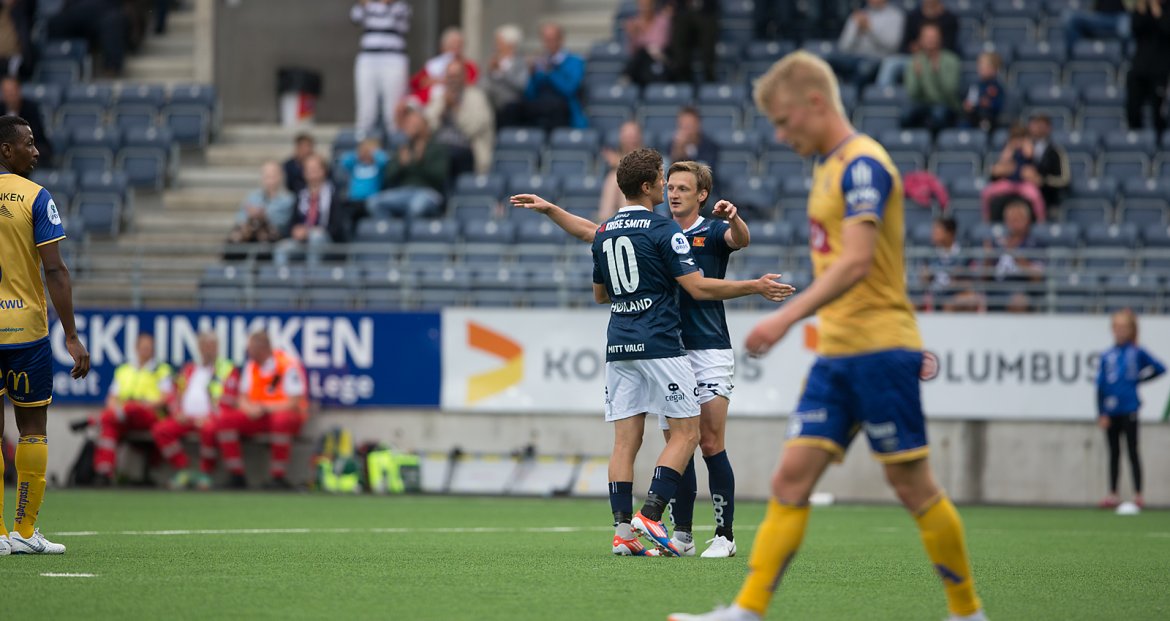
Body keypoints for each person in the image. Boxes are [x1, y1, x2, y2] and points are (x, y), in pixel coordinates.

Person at [670, 51, 987, 621]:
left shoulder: (863, 165)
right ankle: (746, 611)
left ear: (815, 104)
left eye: (785, 122)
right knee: (789, 478)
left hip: (880, 348)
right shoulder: (827, 166)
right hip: (839, 355)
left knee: (912, 485)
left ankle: (967, 612)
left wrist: (786, 317)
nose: (781, 134)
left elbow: (858, 262)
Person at [517, 148, 792, 557]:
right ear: (650, 186)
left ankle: (708, 534)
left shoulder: (683, 230)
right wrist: (754, 286)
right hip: (666, 345)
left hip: (668, 346)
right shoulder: (663, 231)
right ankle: (670, 526)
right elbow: (692, 285)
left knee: (693, 443)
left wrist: (733, 219)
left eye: (682, 186)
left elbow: (737, 239)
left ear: (701, 195)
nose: (672, 190)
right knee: (683, 438)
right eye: (668, 182)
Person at [0, 114, 89, 556]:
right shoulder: (35, 197)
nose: (36, 151)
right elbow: (54, 268)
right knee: (32, 428)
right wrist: (70, 334)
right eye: (29, 144)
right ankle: (24, 529)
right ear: (6, 151)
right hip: (26, 332)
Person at [214, 330, 310, 489]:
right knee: (226, 420)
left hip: (283, 415)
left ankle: (277, 477)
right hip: (258, 415)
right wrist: (249, 408)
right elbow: (242, 396)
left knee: (281, 421)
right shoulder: (251, 366)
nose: (248, 352)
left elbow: (294, 401)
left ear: (263, 348)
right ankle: (236, 475)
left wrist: (266, 407)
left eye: (251, 348)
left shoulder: (285, 364)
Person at [1096, 309, 1165, 510]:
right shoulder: (1107, 355)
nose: (1119, 331)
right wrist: (1101, 412)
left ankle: (1138, 494)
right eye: (1116, 327)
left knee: (1132, 450)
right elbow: (1100, 387)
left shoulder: (1137, 352)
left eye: (1123, 328)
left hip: (1130, 408)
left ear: (1131, 330)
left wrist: (1139, 379)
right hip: (1111, 410)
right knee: (1114, 452)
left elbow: (1160, 368)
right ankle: (1113, 493)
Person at [151, 331, 237, 491]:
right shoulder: (189, 369)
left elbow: (228, 401)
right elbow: (174, 394)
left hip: (211, 419)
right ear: (198, 347)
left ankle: (206, 473)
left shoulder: (226, 370)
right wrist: (177, 413)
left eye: (211, 345)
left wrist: (209, 417)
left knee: (209, 429)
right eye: (204, 345)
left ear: (218, 347)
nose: (208, 349)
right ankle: (184, 468)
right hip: (186, 418)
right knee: (160, 429)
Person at [92, 332, 173, 484]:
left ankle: (95, 420)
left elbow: (165, 398)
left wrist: (141, 405)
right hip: (123, 416)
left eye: (149, 348)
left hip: (148, 414)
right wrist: (116, 409)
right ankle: (104, 472)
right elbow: (111, 398)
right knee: (109, 427)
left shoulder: (161, 370)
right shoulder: (125, 370)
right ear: (136, 348)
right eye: (143, 347)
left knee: (131, 409)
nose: (146, 351)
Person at [498, 22, 586, 131]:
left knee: (553, 110)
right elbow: (529, 94)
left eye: (552, 39)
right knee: (510, 109)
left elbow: (569, 89)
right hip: (540, 107)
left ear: (561, 39)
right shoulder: (539, 63)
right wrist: (531, 75)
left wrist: (550, 72)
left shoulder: (574, 61)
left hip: (562, 108)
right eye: (546, 40)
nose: (548, 43)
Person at [369, 105, 448, 219]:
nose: (410, 126)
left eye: (414, 123)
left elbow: (440, 177)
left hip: (428, 192)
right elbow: (388, 177)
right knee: (374, 203)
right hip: (403, 192)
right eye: (408, 123)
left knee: (417, 206)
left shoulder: (437, 147)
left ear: (424, 125)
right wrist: (401, 164)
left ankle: (412, 235)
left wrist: (420, 162)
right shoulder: (403, 148)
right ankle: (391, 234)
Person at [351, 0, 412, 137]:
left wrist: (376, 5)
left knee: (393, 112)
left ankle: (397, 148)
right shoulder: (366, 5)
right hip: (368, 58)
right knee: (366, 112)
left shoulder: (401, 6)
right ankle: (362, 146)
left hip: (393, 59)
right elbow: (355, 17)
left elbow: (396, 21)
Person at [424, 59, 495, 176]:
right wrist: (442, 111)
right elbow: (427, 128)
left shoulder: (477, 97)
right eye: (449, 76)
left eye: (456, 76)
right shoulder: (440, 98)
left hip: (468, 151)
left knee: (448, 156)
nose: (452, 80)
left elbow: (471, 129)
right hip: (440, 150)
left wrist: (456, 109)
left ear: (464, 77)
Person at [877, 0, 959, 87]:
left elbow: (949, 47)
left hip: (938, 58)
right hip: (914, 57)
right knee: (891, 63)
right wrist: (914, 49)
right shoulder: (913, 16)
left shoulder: (950, 19)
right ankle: (883, 96)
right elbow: (904, 46)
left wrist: (929, 49)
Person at [900, 24, 961, 134]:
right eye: (927, 37)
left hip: (946, 104)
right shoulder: (915, 61)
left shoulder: (951, 60)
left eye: (933, 37)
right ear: (921, 40)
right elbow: (912, 92)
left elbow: (950, 92)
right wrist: (917, 77)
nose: (930, 40)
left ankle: (936, 145)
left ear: (940, 39)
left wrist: (937, 74)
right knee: (905, 114)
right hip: (922, 103)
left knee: (938, 114)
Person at [981, 124, 1046, 223]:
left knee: (1035, 196)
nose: (1018, 141)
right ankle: (986, 221)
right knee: (987, 192)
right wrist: (1011, 146)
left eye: (1020, 137)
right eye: (1016, 137)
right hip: (1009, 182)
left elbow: (1029, 154)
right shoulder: (1010, 147)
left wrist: (1024, 142)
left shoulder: (1028, 146)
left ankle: (1041, 221)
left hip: (1023, 183)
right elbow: (1004, 159)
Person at [46, 0, 129, 77]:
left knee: (112, 21)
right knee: (55, 22)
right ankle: (55, 64)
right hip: (79, 12)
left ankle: (112, 68)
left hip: (106, 11)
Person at [832, 0, 904, 85]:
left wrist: (869, 30)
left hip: (878, 59)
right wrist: (857, 32)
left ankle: (854, 97)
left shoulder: (895, 16)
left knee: (864, 68)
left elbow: (892, 46)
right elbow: (843, 47)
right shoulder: (858, 15)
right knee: (830, 62)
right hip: (853, 57)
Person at [1126, 0, 1170, 138]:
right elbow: (1135, 28)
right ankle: (1137, 140)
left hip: (1160, 70)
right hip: (1140, 68)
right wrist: (1142, 9)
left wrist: (1156, 9)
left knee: (1158, 113)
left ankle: (1159, 143)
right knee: (1133, 108)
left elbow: (1166, 28)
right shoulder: (1142, 7)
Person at [226, 161, 295, 247]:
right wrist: (251, 217)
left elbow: (282, 223)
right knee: (236, 236)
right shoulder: (252, 196)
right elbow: (240, 217)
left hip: (273, 236)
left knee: (263, 234)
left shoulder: (288, 199)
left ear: (280, 176)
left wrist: (263, 216)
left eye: (272, 175)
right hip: (249, 232)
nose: (269, 179)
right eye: (266, 176)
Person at [408, 26, 478, 107]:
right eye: (452, 46)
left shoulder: (469, 66)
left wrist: (444, 81)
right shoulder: (434, 65)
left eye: (459, 46)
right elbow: (417, 82)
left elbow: (470, 84)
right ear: (443, 48)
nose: (456, 50)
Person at [984, 198, 1044, 283]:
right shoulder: (996, 243)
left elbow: (1037, 278)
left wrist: (1015, 254)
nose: (1014, 223)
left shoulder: (1035, 244)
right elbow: (984, 280)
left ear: (1028, 221)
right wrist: (988, 258)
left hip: (1022, 290)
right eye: (1011, 219)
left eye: (1018, 219)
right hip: (996, 290)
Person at [599, 121, 645, 221]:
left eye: (633, 135)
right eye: (627, 136)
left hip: (643, 199)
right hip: (616, 207)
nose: (630, 139)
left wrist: (617, 162)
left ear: (639, 137)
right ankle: (604, 222)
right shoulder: (613, 160)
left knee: (617, 178)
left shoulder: (646, 156)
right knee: (613, 178)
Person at [665, 0, 719, 83]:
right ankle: (683, 74)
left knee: (708, 31)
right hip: (684, 11)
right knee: (679, 31)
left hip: (705, 11)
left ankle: (709, 76)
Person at [1024, 114, 1069, 213]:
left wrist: (1043, 181)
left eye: (1041, 125)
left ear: (1049, 128)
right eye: (1035, 125)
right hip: (1022, 198)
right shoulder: (1022, 148)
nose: (1037, 128)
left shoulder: (1056, 152)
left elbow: (1065, 180)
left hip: (1047, 198)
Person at [623, 0, 672, 87]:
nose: (644, 9)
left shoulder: (662, 21)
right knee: (641, 54)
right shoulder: (635, 23)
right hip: (643, 63)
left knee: (643, 53)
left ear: (653, 6)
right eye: (642, 6)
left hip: (659, 60)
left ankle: (626, 75)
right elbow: (632, 51)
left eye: (647, 5)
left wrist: (644, 42)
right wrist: (633, 36)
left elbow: (661, 43)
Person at [1, 77, 50, 164]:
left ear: (19, 91)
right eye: (7, 92)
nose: (10, 95)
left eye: (12, 91)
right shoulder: (1, 109)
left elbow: (36, 133)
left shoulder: (31, 109)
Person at [484, 24, 527, 116]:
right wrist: (489, 72)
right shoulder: (494, 61)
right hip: (492, 106)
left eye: (500, 43)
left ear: (511, 44)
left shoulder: (520, 63)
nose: (496, 46)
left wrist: (503, 72)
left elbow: (521, 85)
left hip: (512, 108)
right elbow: (484, 85)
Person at [1063, 0, 1130, 57]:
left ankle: (1125, 58)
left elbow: (1131, 8)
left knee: (1126, 25)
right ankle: (1069, 58)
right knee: (1068, 16)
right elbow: (1091, 8)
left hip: (1119, 18)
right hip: (1098, 17)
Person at [961, 51, 1004, 133]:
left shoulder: (997, 87)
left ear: (994, 69)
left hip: (991, 119)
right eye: (980, 66)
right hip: (974, 118)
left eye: (985, 66)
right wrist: (967, 106)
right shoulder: (975, 86)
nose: (981, 68)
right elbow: (971, 101)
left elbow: (999, 104)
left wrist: (989, 104)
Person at [339, 138, 389, 205]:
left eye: (370, 151)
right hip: (353, 200)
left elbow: (383, 160)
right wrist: (357, 154)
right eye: (364, 151)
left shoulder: (378, 167)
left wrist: (375, 153)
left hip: (371, 201)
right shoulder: (355, 166)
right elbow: (344, 161)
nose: (367, 154)